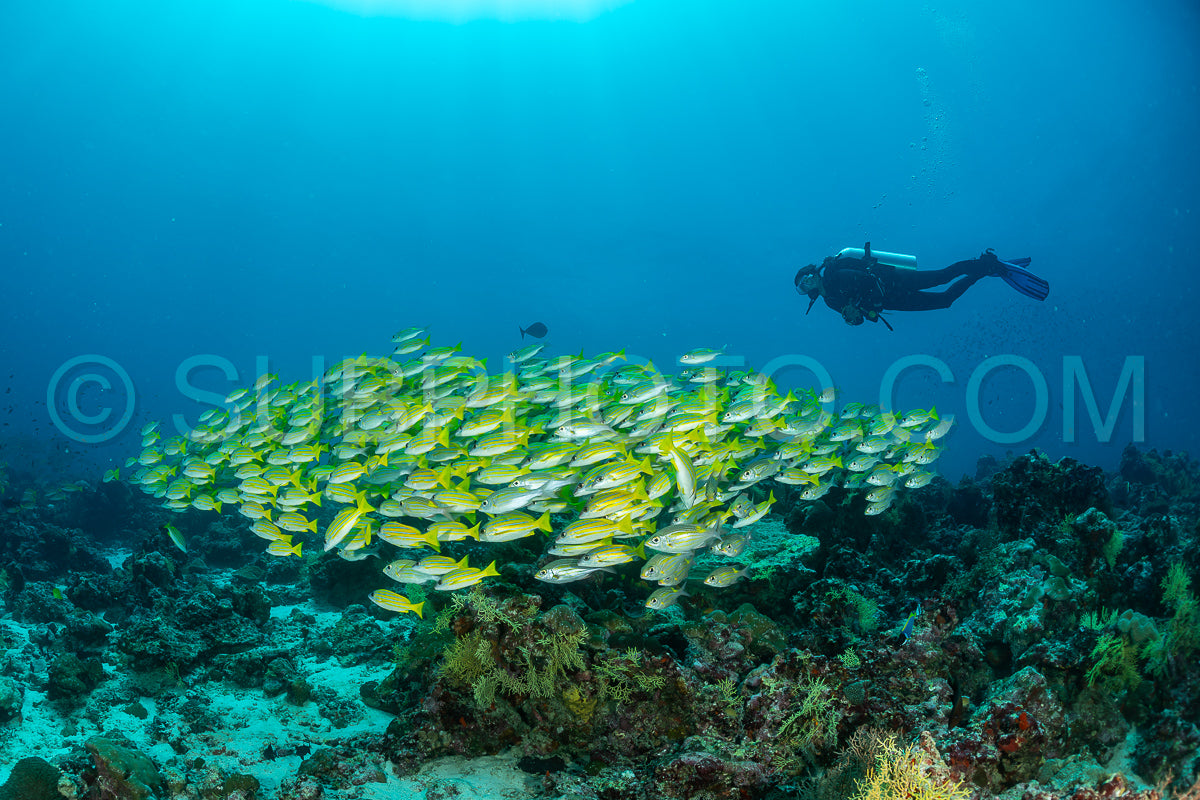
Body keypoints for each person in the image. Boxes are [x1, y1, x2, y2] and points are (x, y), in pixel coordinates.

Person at [794, 242, 1049, 329]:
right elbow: (860, 318)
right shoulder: (830, 301)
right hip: (891, 301)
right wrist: (853, 318)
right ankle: (984, 271)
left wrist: (856, 303)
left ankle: (984, 262)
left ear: (813, 272)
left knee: (943, 276)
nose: (807, 284)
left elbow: (867, 280)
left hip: (894, 280)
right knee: (945, 301)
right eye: (802, 287)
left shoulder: (835, 273)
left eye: (806, 279)